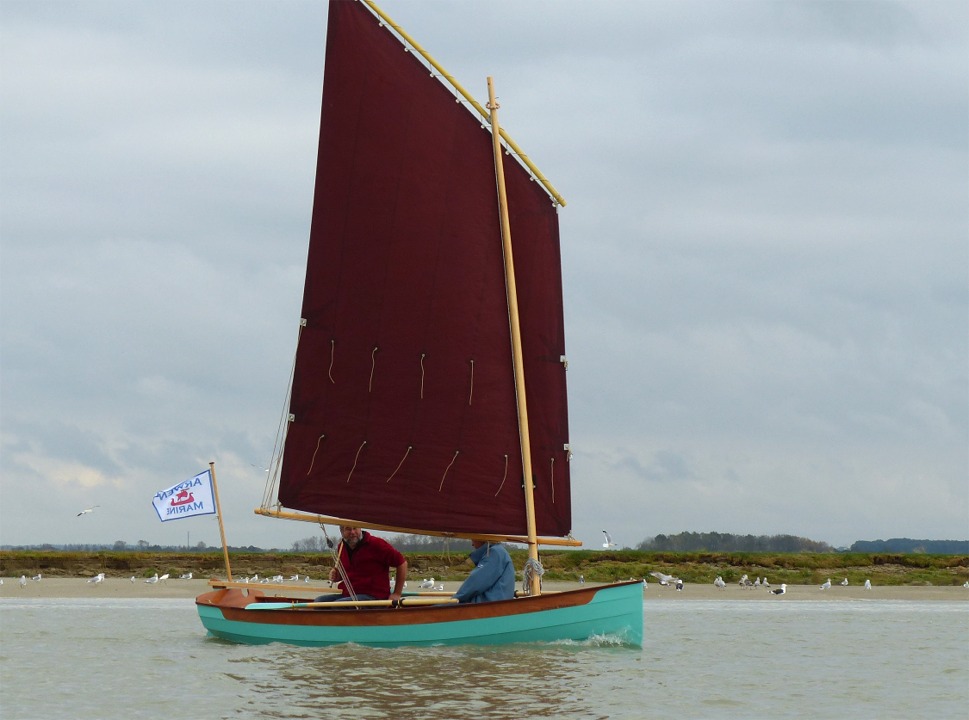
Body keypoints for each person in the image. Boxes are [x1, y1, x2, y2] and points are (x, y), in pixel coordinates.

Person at [314, 526, 407, 603]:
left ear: (360, 528)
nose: (352, 532)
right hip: (349, 595)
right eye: (348, 529)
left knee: (339, 605)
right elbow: (346, 573)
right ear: (341, 531)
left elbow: (402, 563)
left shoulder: (376, 544)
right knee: (319, 601)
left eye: (355, 528)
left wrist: (397, 593)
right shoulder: (341, 547)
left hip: (374, 597)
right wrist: (336, 576)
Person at [453, 540, 515, 604]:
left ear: (482, 539)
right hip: (498, 604)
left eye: (473, 540)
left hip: (491, 606)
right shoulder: (499, 551)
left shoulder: (494, 552)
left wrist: (455, 598)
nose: (472, 544)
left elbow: (476, 582)